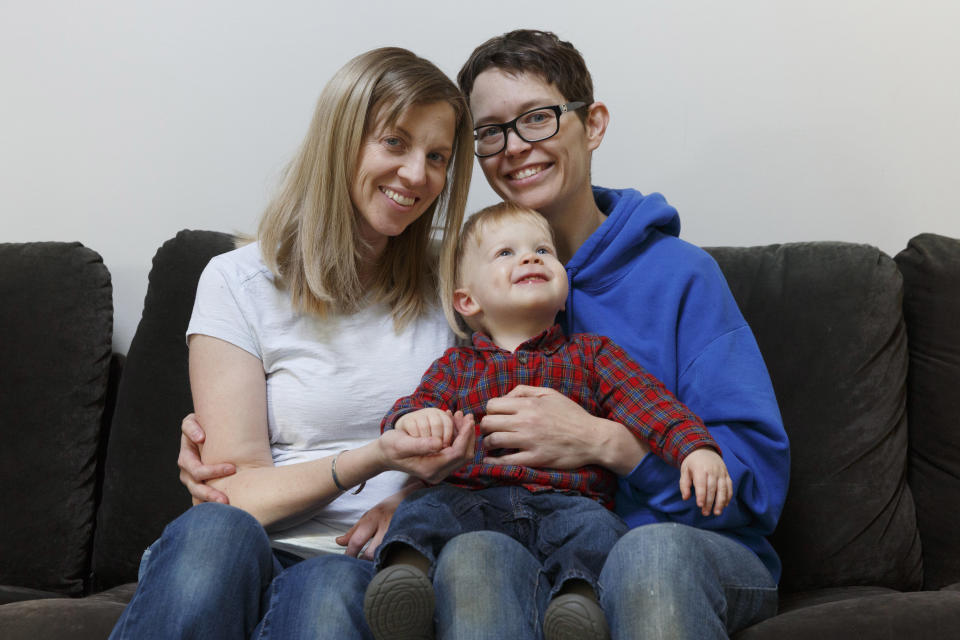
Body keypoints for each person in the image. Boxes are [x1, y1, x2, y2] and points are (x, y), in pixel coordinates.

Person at [180, 29, 790, 639]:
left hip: (673, 549)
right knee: (473, 556)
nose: (515, 148)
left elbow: (756, 489)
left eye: (539, 119)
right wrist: (421, 504)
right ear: (468, 300)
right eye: (492, 132)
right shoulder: (459, 285)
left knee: (647, 556)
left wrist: (607, 444)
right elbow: (440, 424)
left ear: (593, 125)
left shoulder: (680, 277)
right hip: (506, 541)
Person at [108, 47, 477, 640]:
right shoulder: (237, 281)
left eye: (437, 157)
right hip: (251, 542)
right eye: (394, 142)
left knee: (327, 593)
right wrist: (374, 456)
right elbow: (232, 492)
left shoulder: (455, 285)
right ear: (341, 140)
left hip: (368, 560)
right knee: (215, 533)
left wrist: (410, 500)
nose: (417, 174)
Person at [363, 202, 731, 640]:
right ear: (467, 300)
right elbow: (413, 408)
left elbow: (649, 403)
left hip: (568, 504)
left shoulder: (592, 355)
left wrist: (695, 446)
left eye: (542, 250)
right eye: (505, 253)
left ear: (564, 292)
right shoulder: (456, 365)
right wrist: (416, 420)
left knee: (600, 531)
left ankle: (578, 602)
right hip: (475, 501)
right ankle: (405, 575)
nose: (530, 257)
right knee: (423, 507)